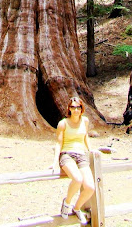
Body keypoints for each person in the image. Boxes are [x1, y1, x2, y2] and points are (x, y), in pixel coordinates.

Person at [52, 96, 95, 224]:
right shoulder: (63, 123)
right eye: (73, 107)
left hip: (81, 155)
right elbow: (58, 143)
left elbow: (85, 136)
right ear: (69, 109)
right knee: (77, 179)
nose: (75, 110)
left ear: (82, 109)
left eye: (78, 107)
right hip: (67, 155)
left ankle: (76, 208)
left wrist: (90, 149)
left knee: (90, 188)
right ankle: (67, 203)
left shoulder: (85, 121)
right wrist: (55, 162)